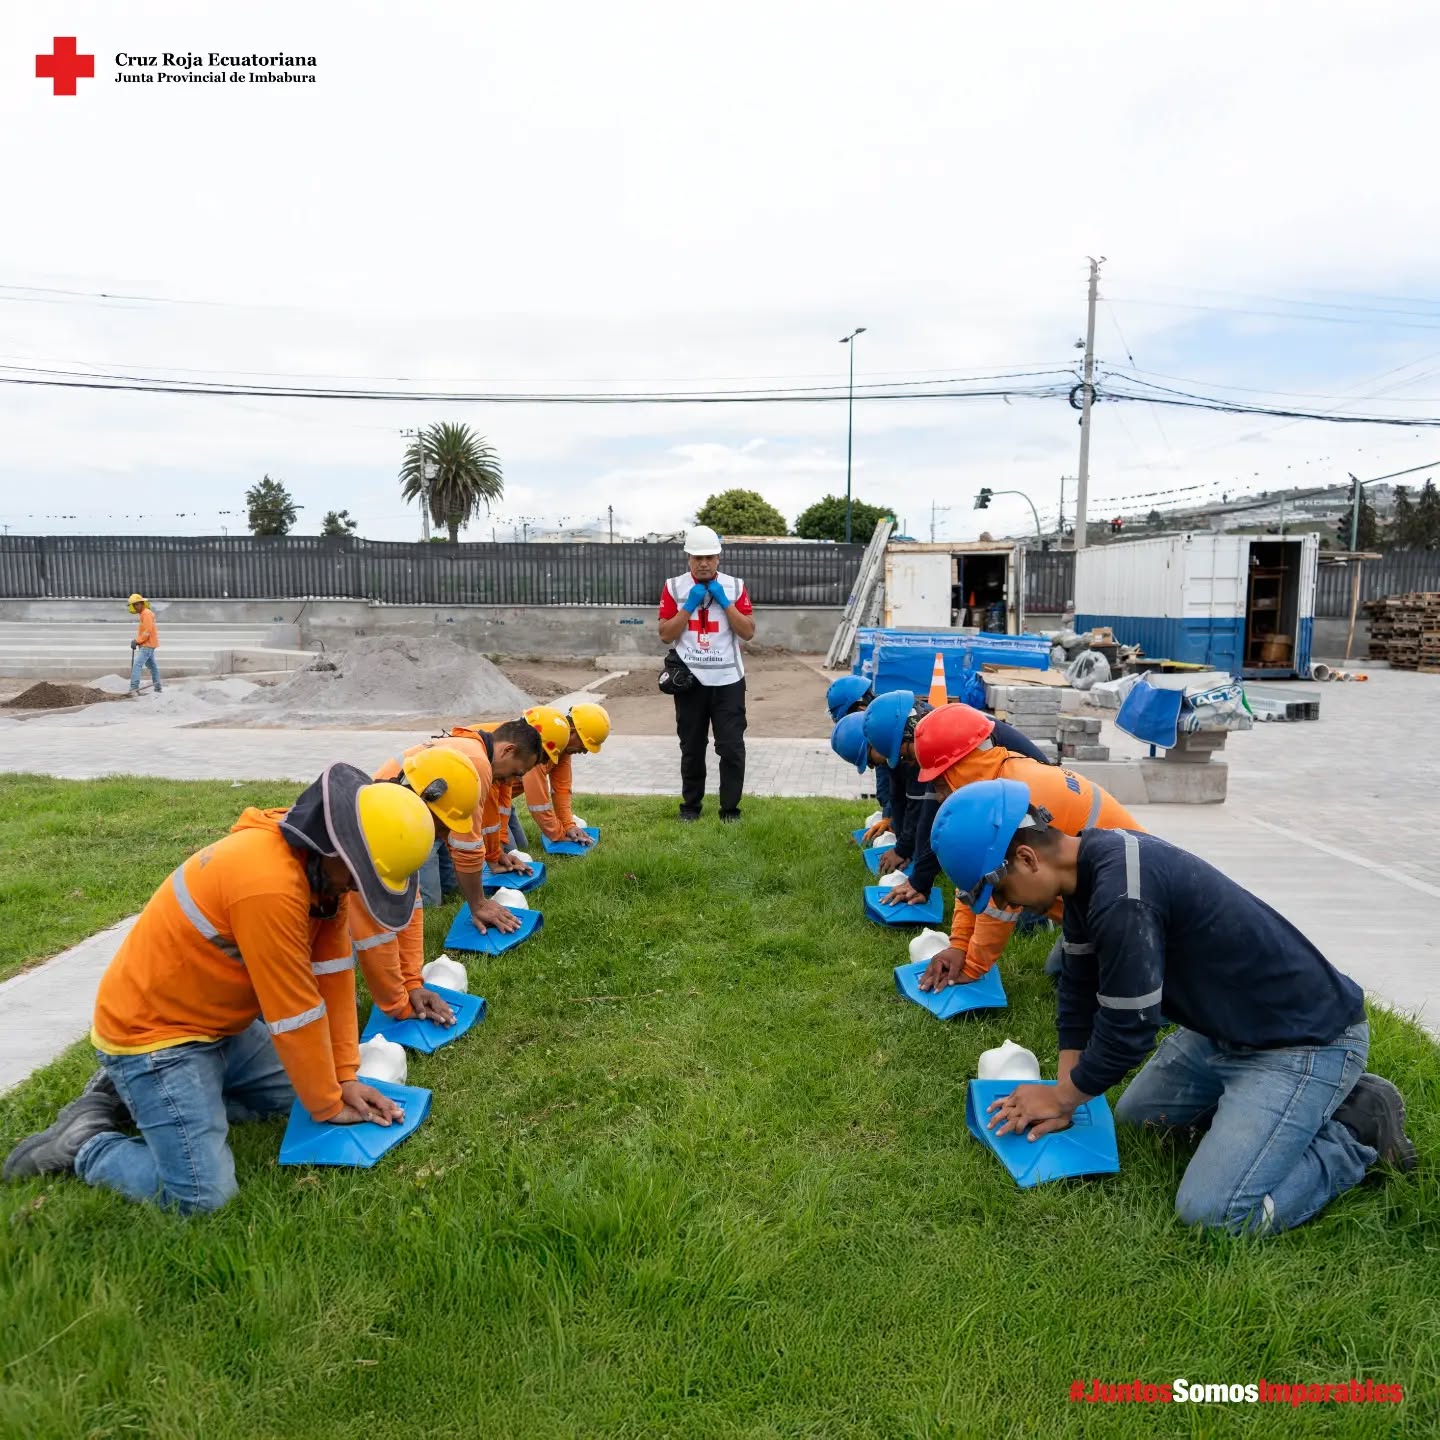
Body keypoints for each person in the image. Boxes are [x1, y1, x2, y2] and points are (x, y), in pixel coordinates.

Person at [931, 778, 1417, 1235]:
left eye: (1001, 892)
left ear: (1027, 858)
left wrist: (1063, 1099)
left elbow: (1129, 1030)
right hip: (1225, 1029)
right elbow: (1078, 992)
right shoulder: (1087, 869)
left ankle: (1355, 1129)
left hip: (1304, 1042)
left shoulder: (1123, 896)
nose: (1008, 906)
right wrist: (1065, 1093)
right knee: (1137, 1121)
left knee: (1214, 1213)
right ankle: (1265, 1118)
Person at [3, 765, 436, 1213]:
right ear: (340, 847)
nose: (355, 889)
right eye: (358, 877)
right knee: (202, 1198)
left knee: (302, 1097)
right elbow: (294, 1011)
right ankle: (88, 1144)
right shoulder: (268, 885)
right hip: (156, 1037)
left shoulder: (323, 878)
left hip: (220, 1027)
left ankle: (154, 1101)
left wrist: (343, 1077)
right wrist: (328, 1104)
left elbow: (334, 977)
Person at [911, 703, 1141, 991]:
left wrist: (972, 966)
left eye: (941, 782)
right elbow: (976, 873)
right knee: (1060, 971)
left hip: (1128, 903)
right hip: (1097, 894)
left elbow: (996, 900)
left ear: (959, 767)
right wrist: (958, 944)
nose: (940, 794)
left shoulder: (1020, 798)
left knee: (1086, 983)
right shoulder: (1003, 779)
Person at [354, 745, 483, 1030]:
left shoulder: (401, 827)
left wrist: (411, 982)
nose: (445, 836)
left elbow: (409, 908)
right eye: (443, 824)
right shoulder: (374, 833)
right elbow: (374, 936)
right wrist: (398, 1003)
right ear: (426, 799)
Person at [404, 718, 544, 933]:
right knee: (425, 904)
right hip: (401, 826)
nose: (510, 782)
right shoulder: (478, 764)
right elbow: (467, 844)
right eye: (516, 773)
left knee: (453, 887)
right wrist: (479, 905)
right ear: (507, 750)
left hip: (422, 819)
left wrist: (495, 855)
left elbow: (483, 821)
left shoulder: (479, 752)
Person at [657, 525, 756, 823]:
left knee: (731, 747)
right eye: (698, 557)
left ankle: (730, 810)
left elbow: (748, 632)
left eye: (709, 557)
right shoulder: (674, 587)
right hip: (691, 681)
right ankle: (690, 808)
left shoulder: (735, 586)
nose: (703, 563)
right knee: (691, 746)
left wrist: (725, 602)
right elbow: (665, 634)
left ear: (718, 558)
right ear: (688, 557)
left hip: (728, 681)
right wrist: (688, 606)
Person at [858, 691, 942, 910]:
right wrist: (905, 846)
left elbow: (934, 821)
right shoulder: (925, 743)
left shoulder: (941, 751)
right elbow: (913, 805)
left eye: (904, 756)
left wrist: (915, 872)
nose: (907, 762)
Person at [522, 702, 610, 848]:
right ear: (573, 732)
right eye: (585, 744)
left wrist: (568, 825)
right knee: (504, 848)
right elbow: (538, 803)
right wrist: (559, 834)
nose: (585, 751)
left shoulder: (563, 750)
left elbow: (561, 789)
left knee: (520, 845)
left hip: (501, 798)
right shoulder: (539, 745)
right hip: (485, 799)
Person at [127, 593, 161, 695]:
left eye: (137, 604)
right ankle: (158, 688)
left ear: (142, 604)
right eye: (134, 605)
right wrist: (137, 640)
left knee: (137, 665)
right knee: (153, 667)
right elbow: (145, 631)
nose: (135, 607)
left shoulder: (146, 614)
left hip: (147, 645)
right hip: (148, 644)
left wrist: (138, 641)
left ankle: (134, 688)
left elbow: (147, 631)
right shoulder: (144, 614)